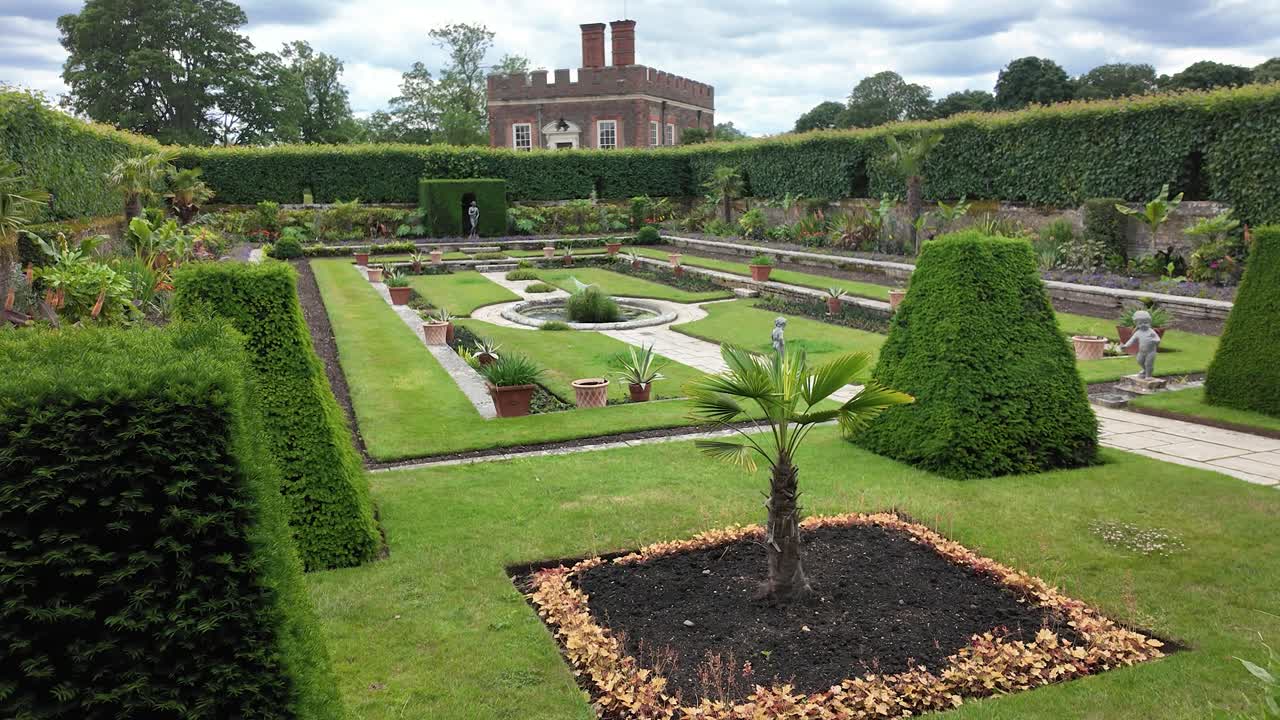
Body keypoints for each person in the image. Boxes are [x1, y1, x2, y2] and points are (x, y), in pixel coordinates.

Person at [1121, 310, 1161, 378]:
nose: (1143, 325)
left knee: (1148, 364)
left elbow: (1158, 340)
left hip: (1150, 352)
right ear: (1136, 324)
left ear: (1149, 322)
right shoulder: (1138, 333)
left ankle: (1148, 376)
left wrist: (1154, 340)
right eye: (1140, 323)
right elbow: (1131, 340)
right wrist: (1125, 346)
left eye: (1145, 323)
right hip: (1141, 352)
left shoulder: (1151, 332)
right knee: (1139, 361)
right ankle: (1145, 370)